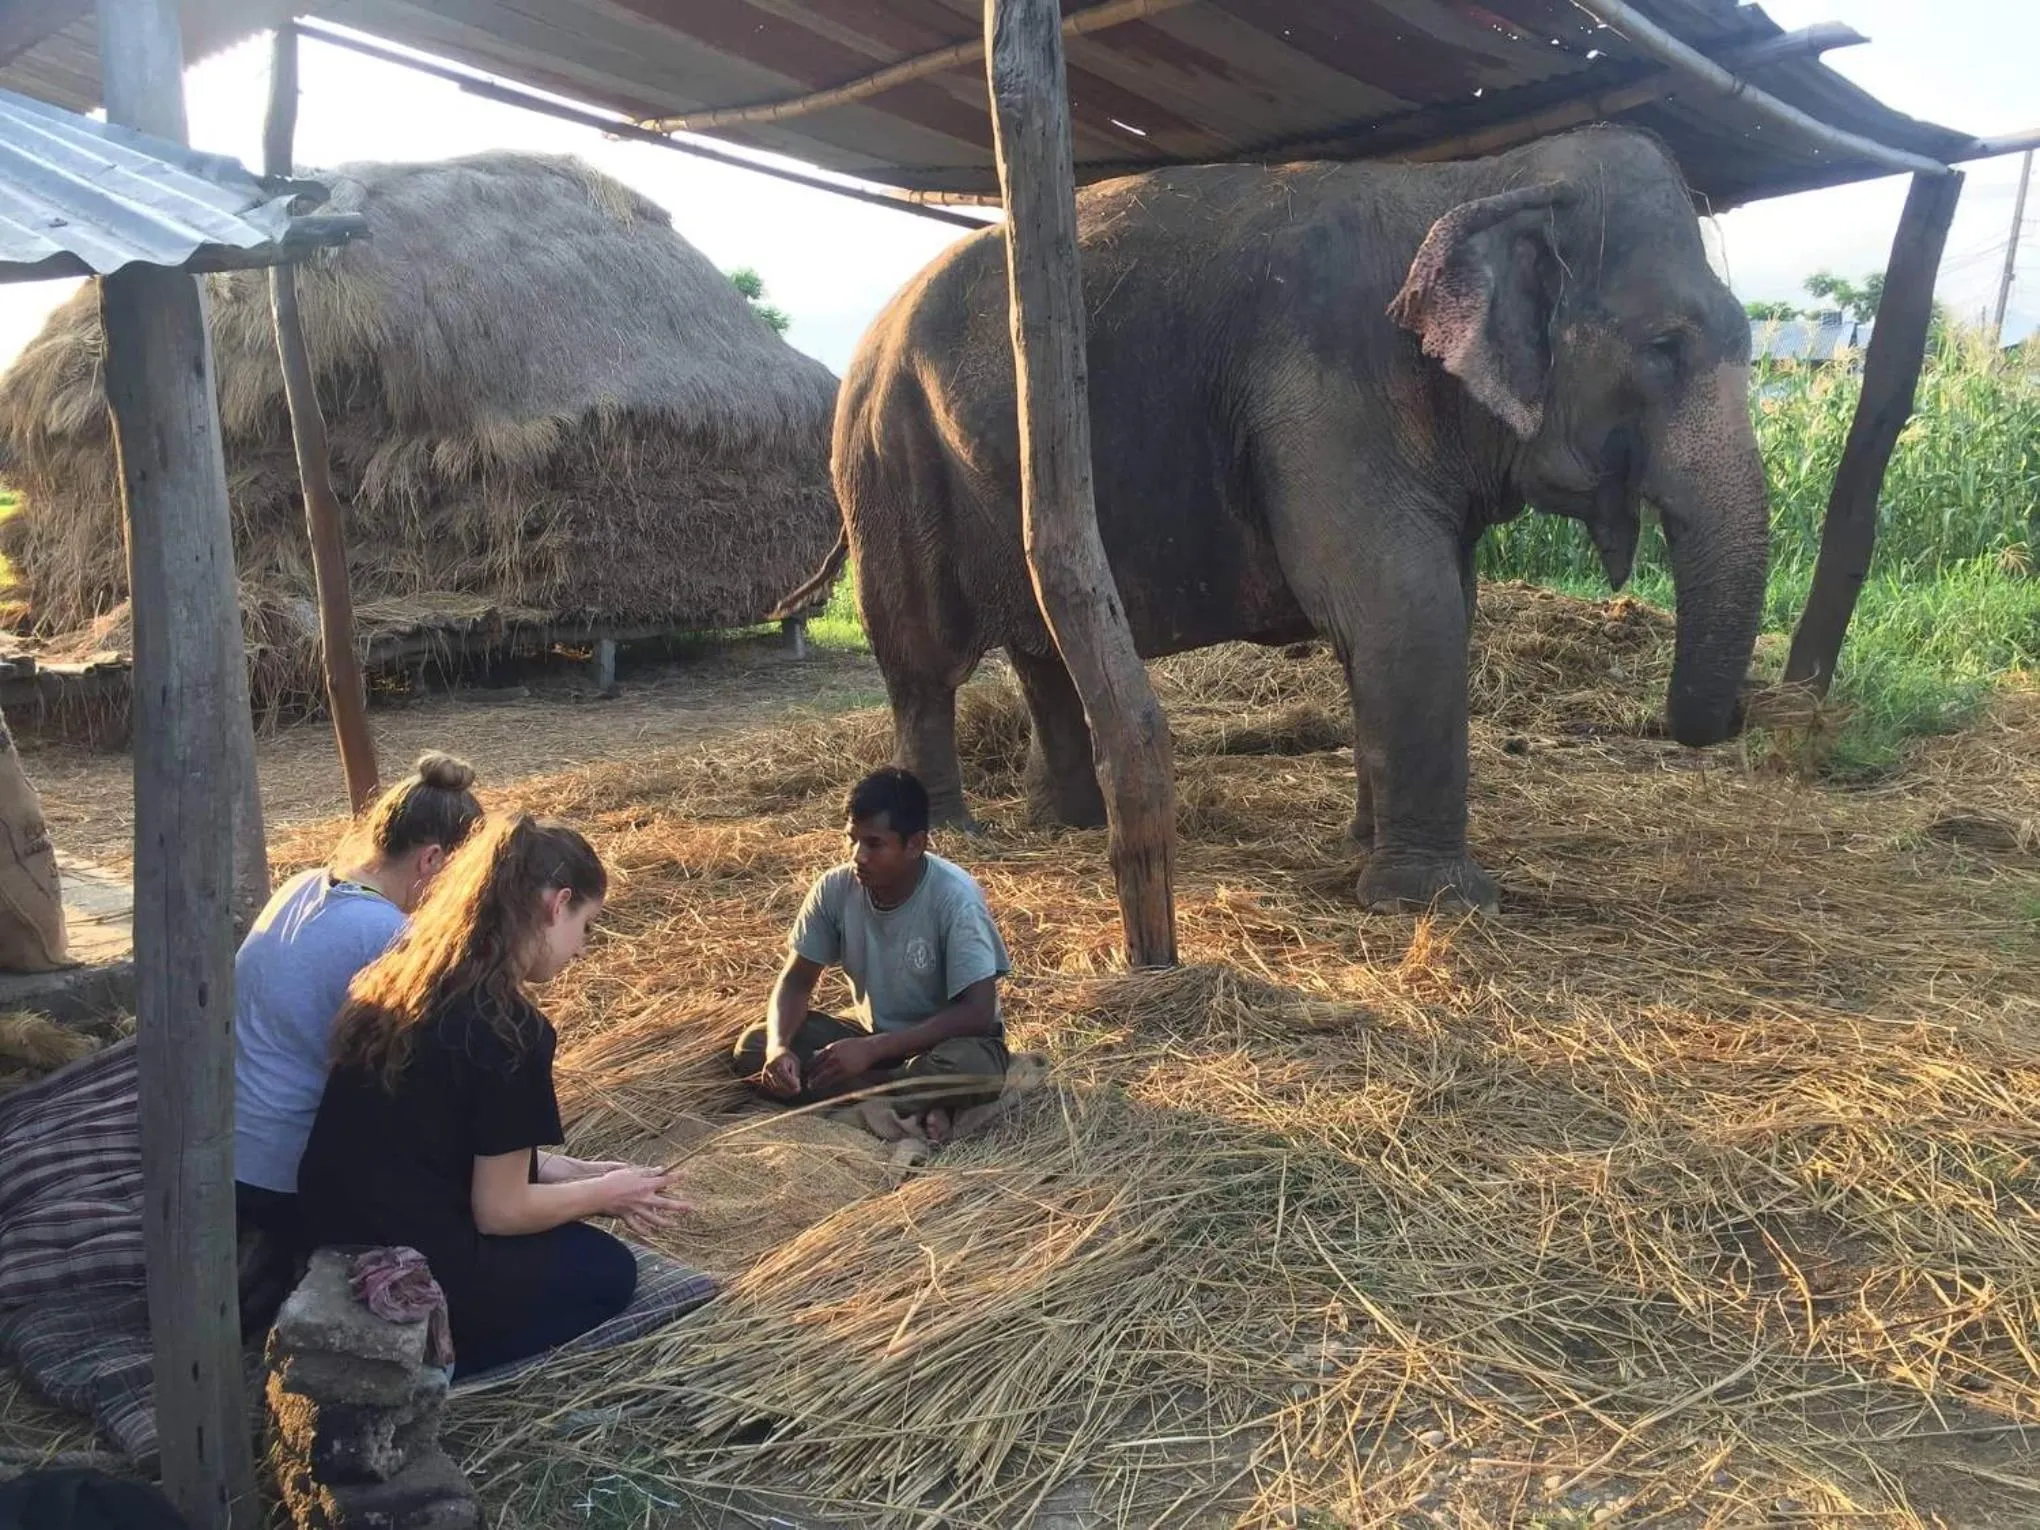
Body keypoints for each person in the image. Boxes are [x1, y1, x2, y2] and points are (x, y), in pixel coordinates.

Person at [296, 813, 686, 1377]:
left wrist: (560, 1170)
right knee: (607, 1270)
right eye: (587, 926)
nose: (582, 950)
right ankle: (430, 1354)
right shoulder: (509, 1030)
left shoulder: (403, 974)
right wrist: (608, 1195)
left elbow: (430, 1131)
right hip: (411, 1256)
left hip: (330, 1226)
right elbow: (501, 1211)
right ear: (558, 904)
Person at [233, 753, 484, 1317]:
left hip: (226, 1145)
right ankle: (290, 1261)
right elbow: (416, 1080)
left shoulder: (301, 885)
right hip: (285, 1173)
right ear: (432, 860)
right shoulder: (390, 934)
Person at [733, 766, 1011, 1144]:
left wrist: (873, 1050)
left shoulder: (954, 898)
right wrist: (778, 1048)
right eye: (852, 840)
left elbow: (978, 1014)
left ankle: (866, 1093)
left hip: (946, 1045)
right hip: (872, 1036)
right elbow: (797, 980)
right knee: (752, 1046)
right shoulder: (835, 888)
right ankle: (914, 1101)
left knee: (975, 1070)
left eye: (874, 844)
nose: (857, 856)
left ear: (915, 844)